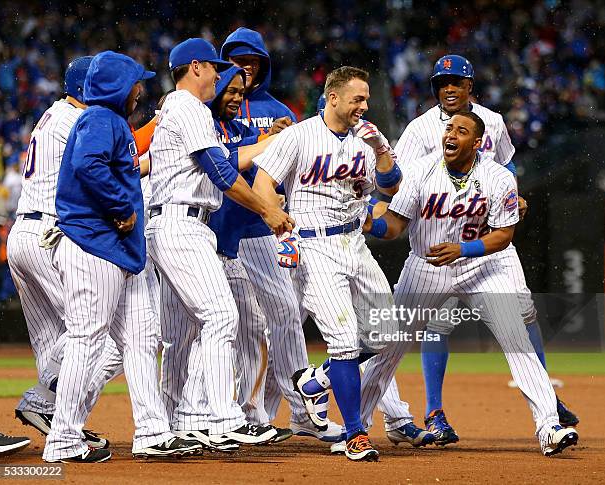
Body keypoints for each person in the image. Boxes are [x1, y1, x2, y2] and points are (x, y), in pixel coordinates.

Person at [359, 111, 579, 457]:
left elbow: (503, 236)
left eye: (461, 130)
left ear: (477, 143)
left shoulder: (497, 177)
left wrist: (463, 249)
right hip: (426, 267)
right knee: (389, 347)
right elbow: (396, 225)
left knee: (517, 339)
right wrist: (369, 225)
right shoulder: (421, 170)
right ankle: (357, 426)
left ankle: (548, 424)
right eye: (449, 128)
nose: (451, 134)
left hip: (483, 267)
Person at [42, 51, 202, 463]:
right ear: (118, 86)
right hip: (92, 245)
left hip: (114, 252)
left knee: (142, 339)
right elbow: (87, 163)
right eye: (136, 82)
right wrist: (120, 207)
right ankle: (62, 439)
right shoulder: (100, 119)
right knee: (87, 340)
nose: (141, 89)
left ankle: (152, 431)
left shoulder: (111, 122)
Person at [146, 38, 293, 449]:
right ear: (195, 67)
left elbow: (223, 163)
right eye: (213, 67)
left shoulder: (176, 109)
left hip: (174, 223)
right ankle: (224, 417)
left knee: (183, 330)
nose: (219, 74)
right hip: (182, 222)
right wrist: (267, 210)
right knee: (221, 316)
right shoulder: (188, 107)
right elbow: (221, 172)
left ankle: (185, 419)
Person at [253, 66, 402, 461]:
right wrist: (280, 230)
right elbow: (262, 185)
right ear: (333, 97)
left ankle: (317, 379)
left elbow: (391, 187)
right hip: (314, 247)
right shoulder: (299, 136)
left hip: (356, 242)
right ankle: (355, 433)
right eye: (358, 98)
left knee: (388, 334)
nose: (364, 106)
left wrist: (383, 152)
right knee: (345, 342)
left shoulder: (367, 137)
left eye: (367, 99)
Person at [9, 57, 155, 452]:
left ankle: (57, 412)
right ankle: (51, 408)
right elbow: (111, 157)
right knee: (95, 334)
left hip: (24, 232)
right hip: (53, 232)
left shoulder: (50, 116)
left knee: (52, 340)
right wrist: (158, 130)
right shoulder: (84, 119)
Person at [220, 29, 342, 440]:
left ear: (264, 66)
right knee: (222, 325)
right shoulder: (207, 109)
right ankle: (208, 415)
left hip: (258, 228)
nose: (244, 67)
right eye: (236, 60)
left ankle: (297, 411)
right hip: (214, 226)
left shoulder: (279, 111)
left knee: (284, 314)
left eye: (252, 61)